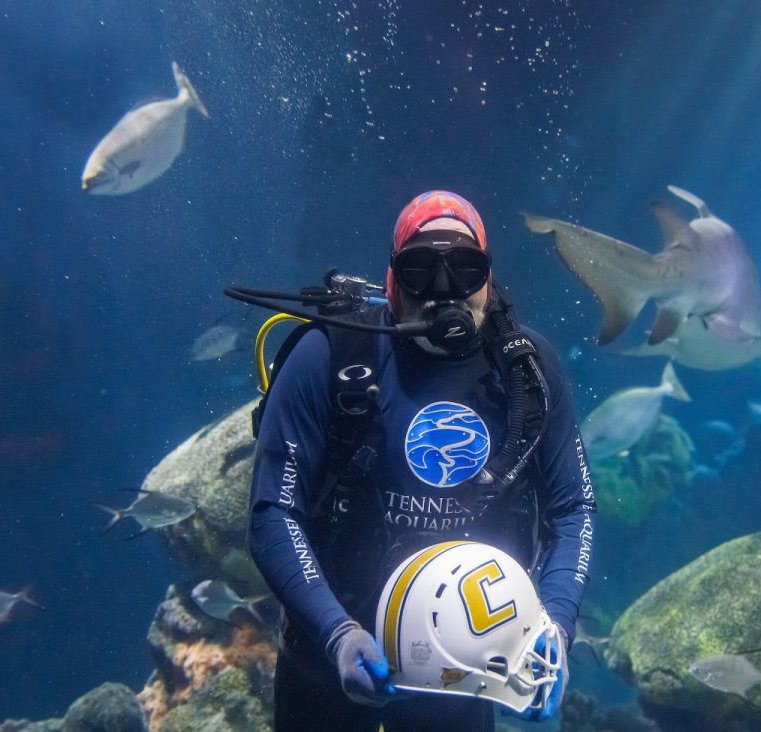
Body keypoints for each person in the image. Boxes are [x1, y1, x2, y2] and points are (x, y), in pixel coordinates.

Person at [247, 190, 596, 732]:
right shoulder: (329, 356)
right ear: (390, 283)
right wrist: (336, 634)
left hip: (465, 667)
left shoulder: (529, 374)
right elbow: (272, 511)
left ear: (489, 279)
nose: (442, 291)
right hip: (329, 655)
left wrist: (555, 624)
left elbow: (574, 509)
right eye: (418, 271)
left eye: (465, 269)